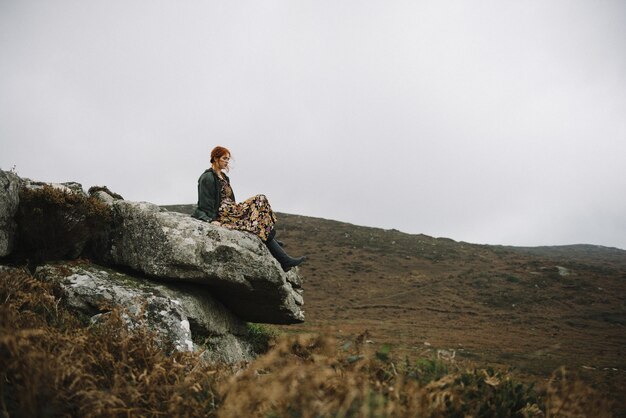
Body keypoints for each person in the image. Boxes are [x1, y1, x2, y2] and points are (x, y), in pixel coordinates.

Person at [192, 146, 306, 272]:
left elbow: (230, 198)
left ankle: (273, 241)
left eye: (228, 159)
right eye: (224, 158)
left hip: (232, 209)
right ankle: (277, 246)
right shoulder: (207, 177)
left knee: (262, 201)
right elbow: (204, 202)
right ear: (215, 158)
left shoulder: (224, 176)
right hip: (223, 213)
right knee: (260, 199)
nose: (227, 162)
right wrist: (210, 220)